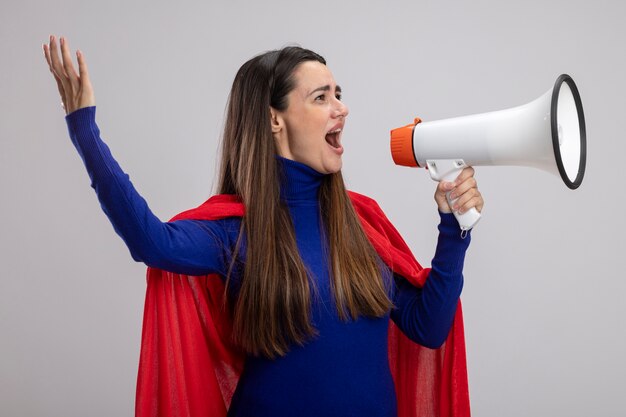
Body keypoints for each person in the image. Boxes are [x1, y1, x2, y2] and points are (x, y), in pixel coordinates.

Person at [43, 35, 484, 417]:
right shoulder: (231, 234)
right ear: (274, 119)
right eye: (321, 97)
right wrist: (85, 131)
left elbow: (428, 326)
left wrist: (453, 227)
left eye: (339, 93)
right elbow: (150, 241)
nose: (342, 108)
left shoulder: (361, 223)